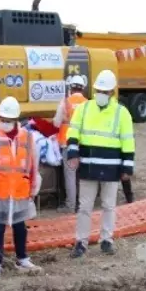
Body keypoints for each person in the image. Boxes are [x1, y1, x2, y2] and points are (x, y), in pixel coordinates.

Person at [64, 69, 136, 257]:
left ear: (112, 92)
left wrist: (127, 167)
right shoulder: (83, 108)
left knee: (109, 206)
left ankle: (106, 240)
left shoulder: (122, 113)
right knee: (84, 206)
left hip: (111, 168)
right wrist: (73, 152)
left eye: (105, 91)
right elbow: (73, 131)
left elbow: (128, 141)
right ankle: (81, 242)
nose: (101, 95)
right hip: (88, 167)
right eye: (99, 91)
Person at [0, 96, 41, 278]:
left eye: (7, 120)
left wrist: (33, 187)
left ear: (15, 120)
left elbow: (33, 164)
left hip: (20, 190)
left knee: (20, 227)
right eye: (2, 119)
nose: (4, 123)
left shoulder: (27, 137)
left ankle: (22, 257)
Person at [52, 74, 87, 211]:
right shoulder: (87, 103)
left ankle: (70, 205)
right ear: (83, 88)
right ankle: (84, 203)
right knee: (82, 176)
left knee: (70, 175)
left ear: (71, 88)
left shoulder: (65, 102)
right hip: (84, 143)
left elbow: (56, 123)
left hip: (68, 143)